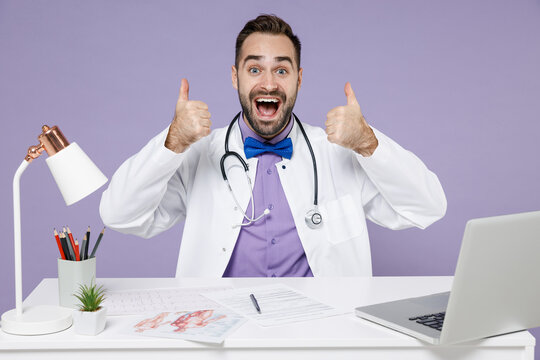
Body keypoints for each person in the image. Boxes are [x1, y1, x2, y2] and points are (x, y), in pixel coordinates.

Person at [100, 14, 446, 278]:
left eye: (282, 71)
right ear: (235, 77)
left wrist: (368, 142)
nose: (268, 83)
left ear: (299, 78)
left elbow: (428, 207)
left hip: (321, 332)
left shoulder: (338, 150)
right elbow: (119, 214)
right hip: (222, 329)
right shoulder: (199, 153)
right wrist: (172, 141)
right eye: (254, 70)